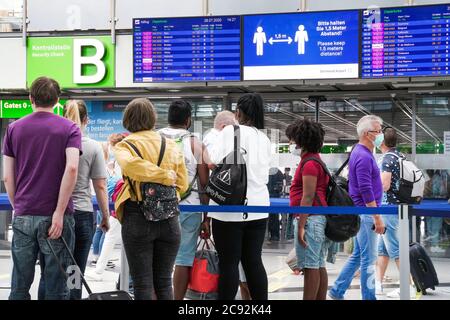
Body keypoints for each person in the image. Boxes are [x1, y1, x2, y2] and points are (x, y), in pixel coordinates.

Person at [3, 77, 82, 300]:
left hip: (24, 214)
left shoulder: (13, 129)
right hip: (57, 219)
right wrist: (58, 212)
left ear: (31, 99)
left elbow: (8, 177)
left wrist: (19, 206)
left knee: (19, 285)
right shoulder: (70, 128)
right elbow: (72, 168)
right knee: (58, 285)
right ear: (58, 100)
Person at [113, 98, 188, 300]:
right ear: (153, 118)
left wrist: (158, 177)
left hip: (136, 217)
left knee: (142, 284)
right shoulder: (171, 145)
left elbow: (131, 166)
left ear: (127, 119)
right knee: (164, 282)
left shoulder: (124, 146)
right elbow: (182, 184)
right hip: (169, 217)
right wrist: (164, 182)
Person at [204, 93, 271, 300]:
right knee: (254, 262)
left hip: (229, 208)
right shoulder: (265, 138)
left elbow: (213, 162)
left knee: (229, 263)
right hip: (259, 207)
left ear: (238, 112)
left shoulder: (230, 132)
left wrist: (203, 150)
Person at [56, 100, 110, 300]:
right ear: (87, 119)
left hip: (56, 215)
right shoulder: (93, 147)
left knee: (53, 268)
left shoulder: (54, 143)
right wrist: (105, 216)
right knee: (75, 270)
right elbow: (100, 186)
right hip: (82, 214)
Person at [329, 115, 385, 301]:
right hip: (367, 213)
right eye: (378, 131)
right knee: (369, 260)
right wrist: (376, 217)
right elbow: (365, 188)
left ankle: (337, 290)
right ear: (367, 134)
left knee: (358, 255)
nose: (381, 134)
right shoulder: (362, 155)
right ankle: (369, 298)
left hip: (363, 212)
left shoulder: (361, 152)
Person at [159, 100, 211, 300]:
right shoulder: (196, 144)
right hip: (189, 207)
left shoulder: (155, 139)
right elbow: (205, 184)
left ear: (168, 118)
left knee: (157, 257)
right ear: (188, 120)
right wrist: (207, 218)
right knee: (183, 258)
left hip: (157, 207)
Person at [289, 119, 329, 300]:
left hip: (311, 219)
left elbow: (308, 196)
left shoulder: (310, 164)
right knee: (318, 264)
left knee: (311, 266)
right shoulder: (315, 160)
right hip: (316, 218)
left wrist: (301, 226)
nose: (292, 144)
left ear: (301, 141)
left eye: (293, 140)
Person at [375, 127, 415, 298]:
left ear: (382, 142)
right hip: (396, 207)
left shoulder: (387, 159)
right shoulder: (399, 156)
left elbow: (384, 185)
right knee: (382, 250)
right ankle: (378, 284)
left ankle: (409, 286)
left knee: (396, 250)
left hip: (388, 208)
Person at [86, 134, 127, 281]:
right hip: (118, 205)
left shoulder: (122, 161)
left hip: (120, 205)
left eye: (110, 145)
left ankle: (99, 271)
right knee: (113, 236)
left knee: (110, 236)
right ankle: (123, 275)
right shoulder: (117, 162)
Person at [267, 167, 284, 242]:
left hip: (269, 196)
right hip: (273, 197)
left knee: (272, 217)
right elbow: (280, 187)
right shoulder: (278, 172)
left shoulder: (267, 170)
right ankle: (274, 235)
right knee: (274, 217)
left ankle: (273, 235)